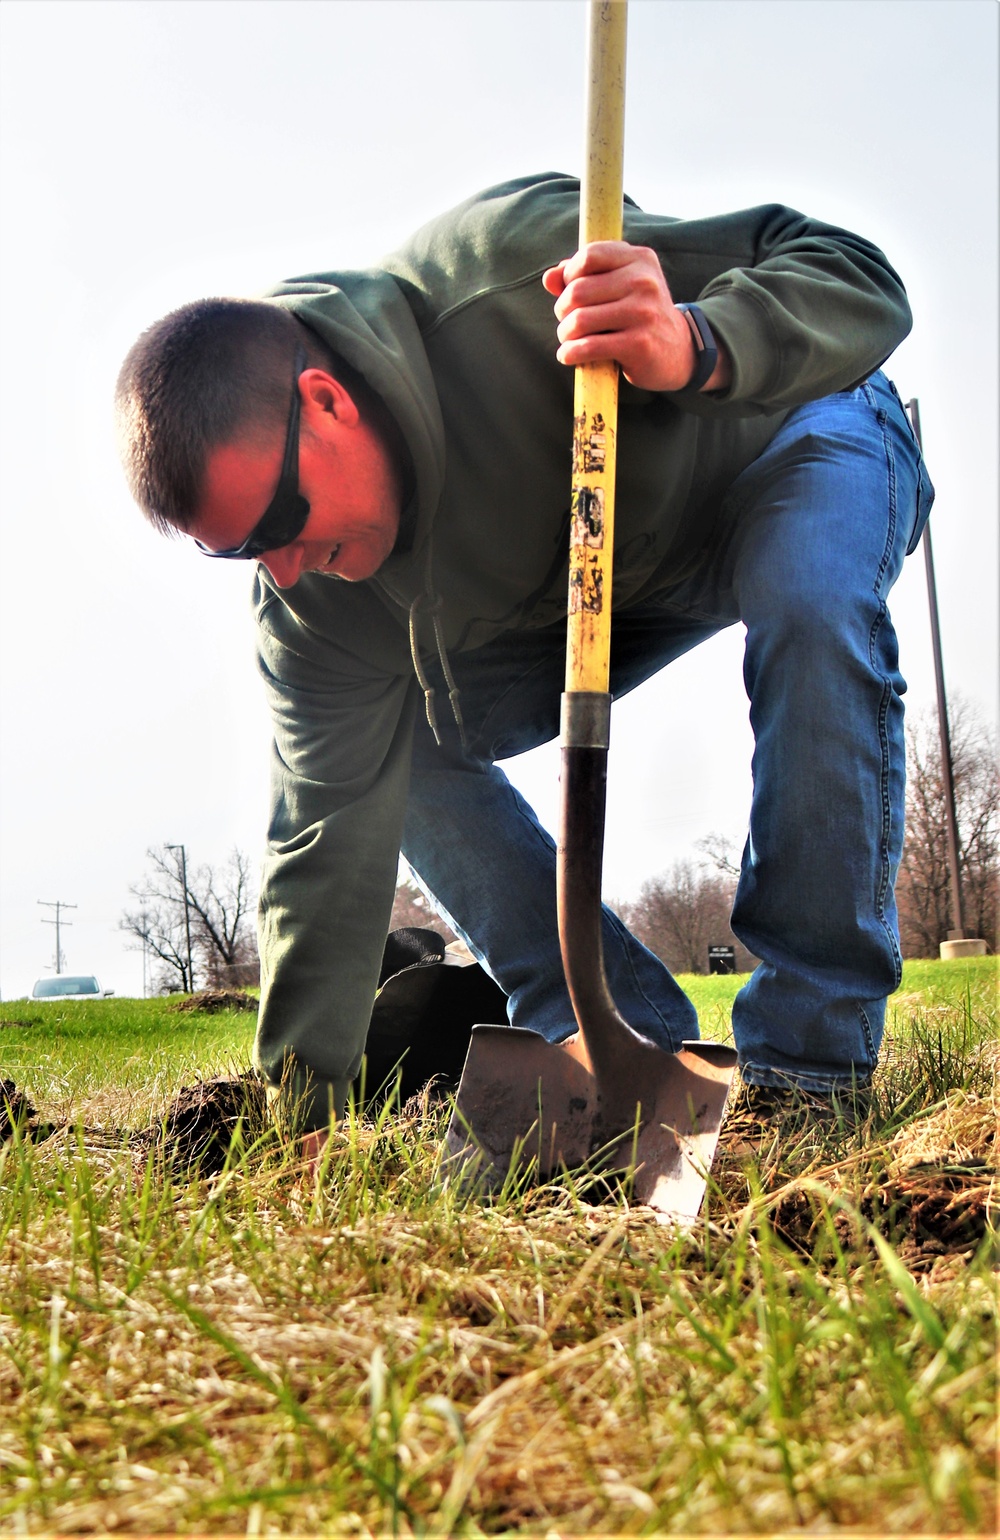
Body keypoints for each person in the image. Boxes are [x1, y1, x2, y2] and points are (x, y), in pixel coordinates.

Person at [115, 172, 934, 1155]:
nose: (284, 572)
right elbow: (321, 840)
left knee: (806, 593)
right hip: (608, 575)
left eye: (281, 523)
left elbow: (857, 277)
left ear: (325, 401)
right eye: (246, 552)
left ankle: (807, 1072)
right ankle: (605, 1022)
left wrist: (699, 339)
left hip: (792, 437)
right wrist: (301, 1117)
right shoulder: (314, 607)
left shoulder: (515, 276)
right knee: (388, 744)